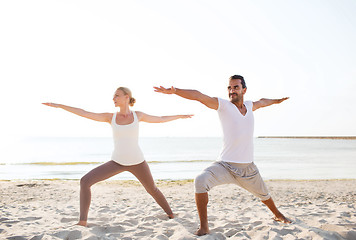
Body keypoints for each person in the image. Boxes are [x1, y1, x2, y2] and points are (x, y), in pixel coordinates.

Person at [154, 75, 291, 236]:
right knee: (200, 181)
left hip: (247, 168)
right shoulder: (224, 106)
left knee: (264, 195)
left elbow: (263, 101)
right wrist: (175, 91)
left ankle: (278, 214)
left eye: (236, 87)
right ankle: (204, 226)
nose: (232, 91)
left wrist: (277, 101)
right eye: (229, 88)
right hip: (224, 166)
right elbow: (198, 96)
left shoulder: (249, 105)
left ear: (244, 90)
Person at [42, 87, 192, 227]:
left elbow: (160, 118)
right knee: (85, 181)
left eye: (116, 96)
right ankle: (82, 221)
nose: (113, 98)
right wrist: (60, 105)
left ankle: (171, 214)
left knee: (152, 189)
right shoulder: (110, 117)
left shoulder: (137, 115)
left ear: (127, 97)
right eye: (113, 96)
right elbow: (84, 112)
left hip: (138, 162)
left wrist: (179, 116)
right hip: (117, 162)